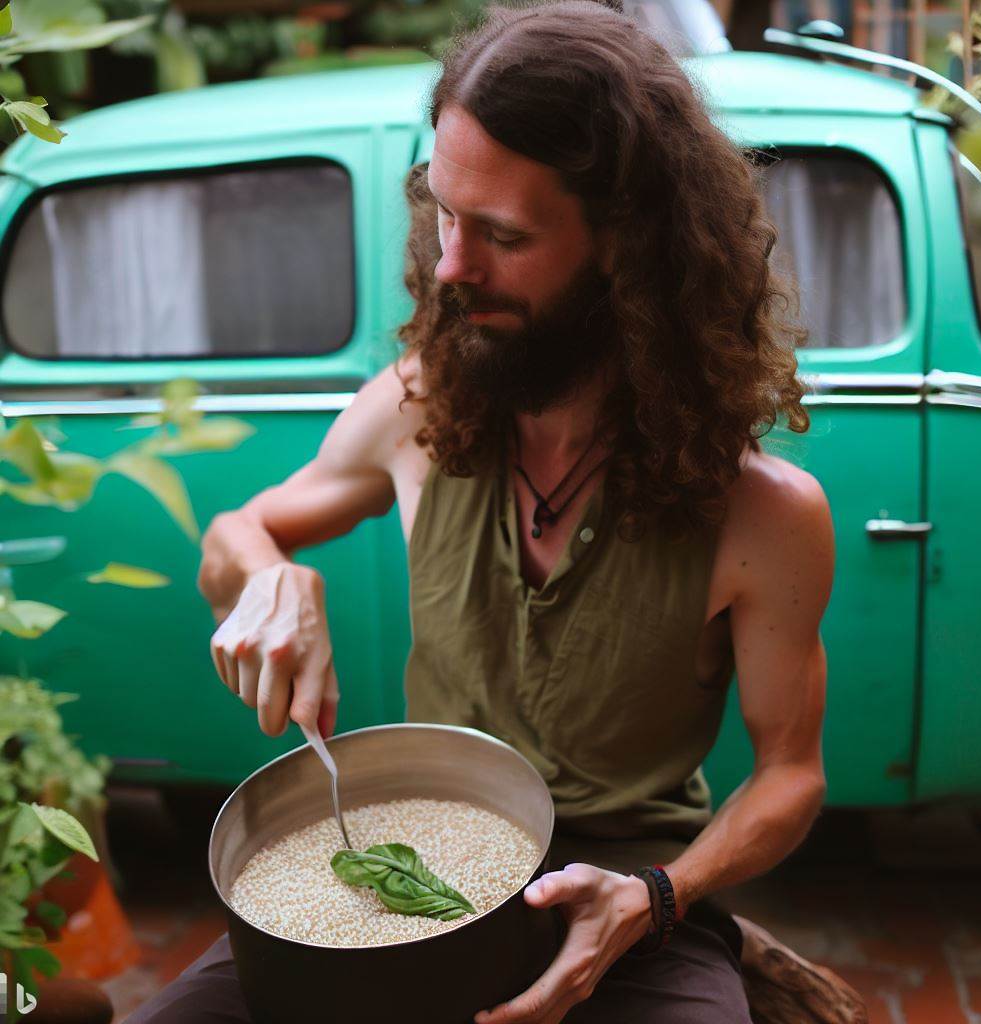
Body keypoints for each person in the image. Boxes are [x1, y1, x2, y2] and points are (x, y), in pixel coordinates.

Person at [125, 2, 864, 1022]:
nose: (450, 266)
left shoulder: (762, 513)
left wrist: (660, 896)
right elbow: (235, 536)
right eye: (444, 214)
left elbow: (790, 777)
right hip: (420, 854)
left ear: (626, 244)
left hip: (627, 895)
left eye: (503, 235)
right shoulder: (416, 409)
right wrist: (268, 578)